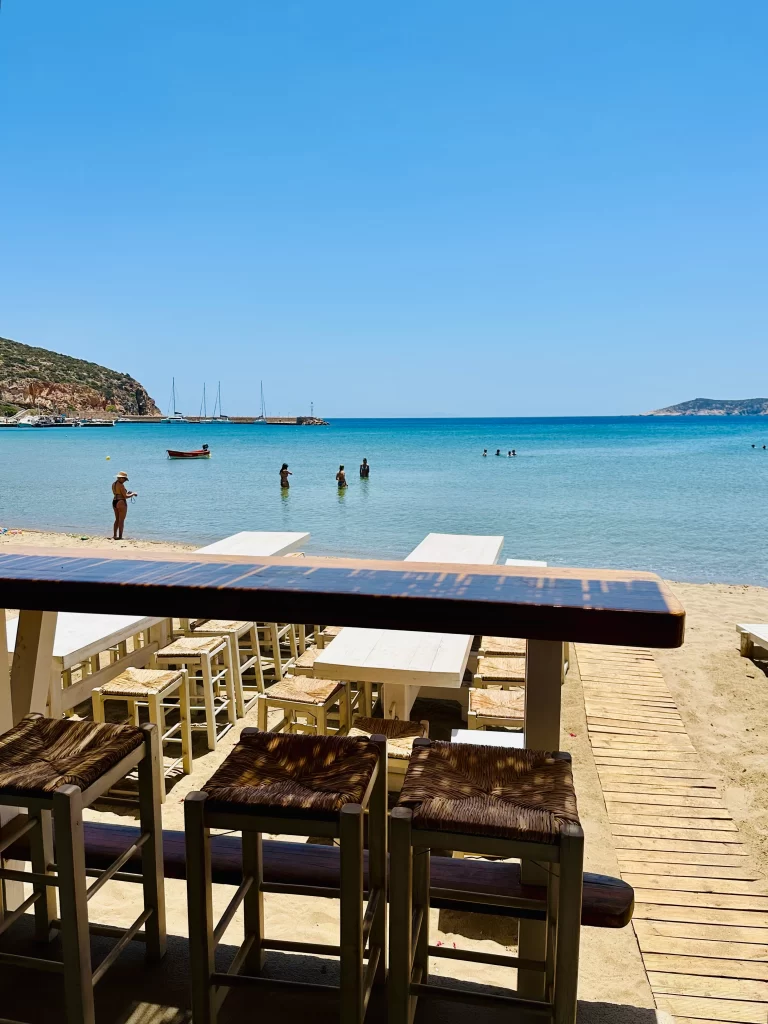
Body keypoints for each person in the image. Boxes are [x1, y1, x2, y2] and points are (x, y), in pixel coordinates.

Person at [111, 471, 137, 540]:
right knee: (121, 520)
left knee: (117, 519)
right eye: (124, 479)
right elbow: (125, 496)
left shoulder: (114, 484)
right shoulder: (121, 485)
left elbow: (117, 493)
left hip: (114, 501)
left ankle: (114, 535)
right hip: (121, 502)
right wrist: (133, 494)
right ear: (121, 478)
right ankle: (120, 536)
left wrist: (127, 493)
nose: (125, 481)